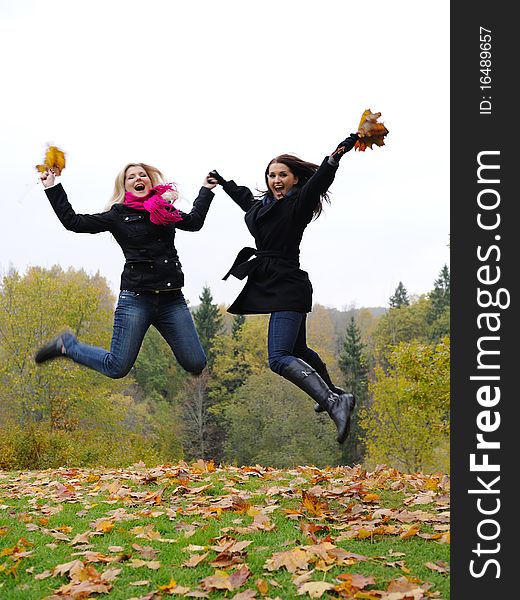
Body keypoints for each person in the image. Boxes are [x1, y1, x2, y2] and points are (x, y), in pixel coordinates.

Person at [207, 132, 359, 443]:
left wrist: (336, 156)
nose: (276, 179)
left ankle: (333, 402)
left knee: (278, 358)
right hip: (273, 284)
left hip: (288, 285)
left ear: (294, 179)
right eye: (272, 174)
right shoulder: (262, 206)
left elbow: (319, 182)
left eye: (282, 175)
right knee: (298, 350)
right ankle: (333, 394)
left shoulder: (298, 204)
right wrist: (224, 184)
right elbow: (246, 200)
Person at [34, 162, 215, 379]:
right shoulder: (117, 215)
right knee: (117, 367)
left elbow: (194, 222)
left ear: (150, 181)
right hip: (136, 300)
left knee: (196, 362)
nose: (138, 179)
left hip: (171, 299)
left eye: (142, 175)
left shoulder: (165, 210)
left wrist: (206, 190)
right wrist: (52, 187)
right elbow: (74, 222)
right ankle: (68, 346)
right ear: (125, 186)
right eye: (131, 177)